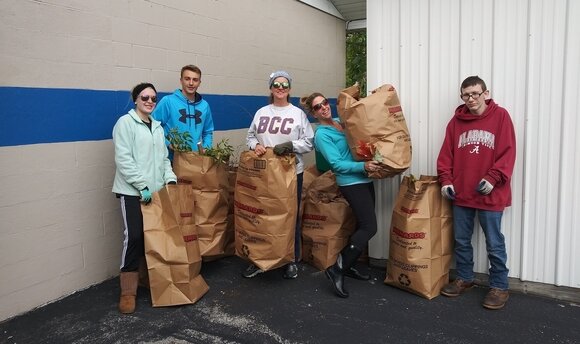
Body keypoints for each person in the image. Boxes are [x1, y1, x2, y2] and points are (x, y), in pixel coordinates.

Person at [437, 75, 516, 310]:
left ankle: (499, 286)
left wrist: (494, 178)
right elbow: (446, 155)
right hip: (461, 194)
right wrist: (445, 180)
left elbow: (508, 153)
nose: (471, 98)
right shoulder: (455, 122)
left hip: (490, 194)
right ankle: (465, 278)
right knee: (461, 240)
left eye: (475, 93)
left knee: (494, 242)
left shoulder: (501, 117)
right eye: (466, 94)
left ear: (486, 94)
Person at [301, 92, 380, 298]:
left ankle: (349, 265)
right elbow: (336, 164)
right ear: (313, 113)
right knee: (370, 227)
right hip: (352, 181)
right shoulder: (321, 135)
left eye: (325, 103)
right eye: (318, 107)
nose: (324, 107)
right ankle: (336, 268)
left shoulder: (340, 122)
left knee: (358, 225)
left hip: (365, 178)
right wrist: (363, 166)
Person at [112, 83, 177, 314]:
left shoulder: (158, 127)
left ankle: (146, 279)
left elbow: (163, 159)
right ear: (135, 99)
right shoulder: (125, 123)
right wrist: (142, 186)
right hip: (131, 192)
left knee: (153, 238)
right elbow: (124, 160)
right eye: (145, 97)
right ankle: (128, 292)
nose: (150, 101)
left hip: (156, 193)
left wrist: (170, 179)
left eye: (153, 98)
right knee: (135, 237)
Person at [243, 70, 314, 279]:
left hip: (290, 172)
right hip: (263, 173)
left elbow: (309, 141)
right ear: (271, 87)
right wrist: (255, 145)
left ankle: (289, 260)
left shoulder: (297, 114)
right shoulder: (261, 112)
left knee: (289, 216)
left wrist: (291, 145)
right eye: (276, 84)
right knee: (261, 215)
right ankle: (259, 258)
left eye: (284, 85)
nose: (280, 88)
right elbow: (250, 136)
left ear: (289, 89)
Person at [152, 65, 214, 155]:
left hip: (195, 159)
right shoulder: (168, 101)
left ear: (199, 83)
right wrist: (168, 144)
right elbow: (153, 126)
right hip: (169, 160)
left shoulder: (204, 105)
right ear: (181, 80)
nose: (191, 83)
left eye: (195, 80)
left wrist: (206, 148)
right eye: (187, 79)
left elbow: (208, 131)